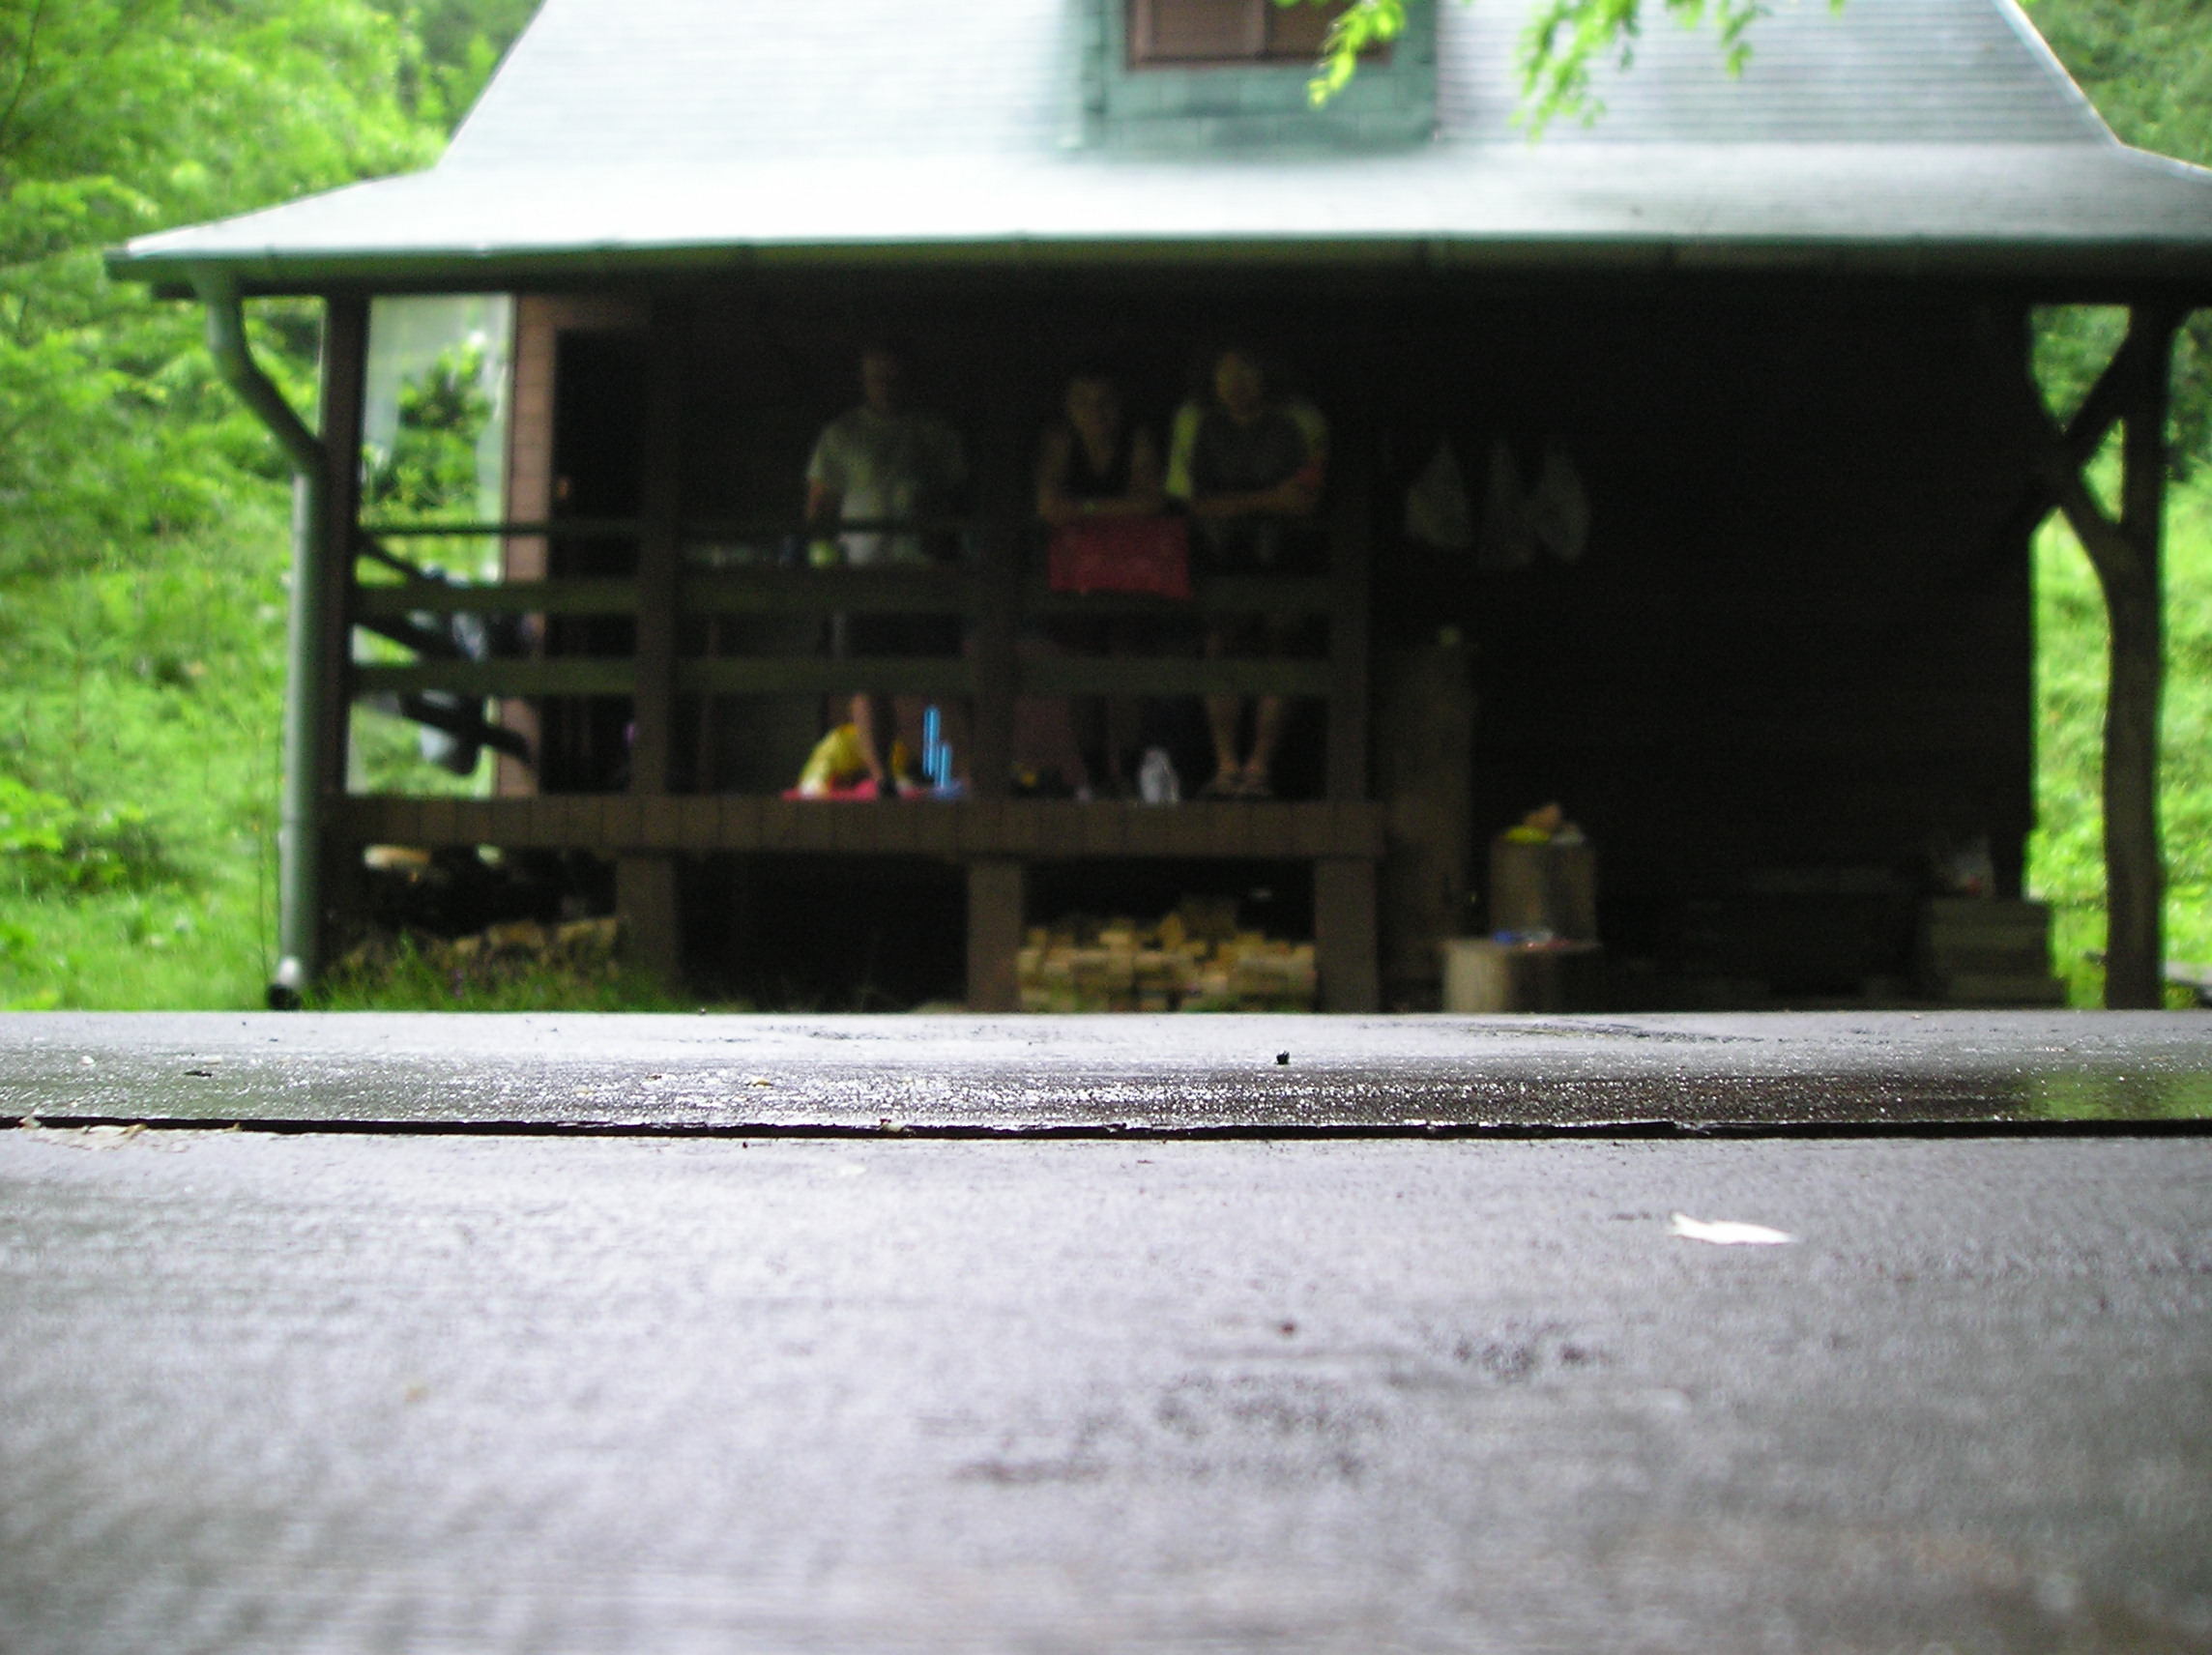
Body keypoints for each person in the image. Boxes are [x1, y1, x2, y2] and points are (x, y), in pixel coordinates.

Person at [1165, 346, 1326, 798]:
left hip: (1288, 551)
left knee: (1281, 645)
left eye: (1249, 371)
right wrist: (1268, 500)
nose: (1237, 384)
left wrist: (1233, 503)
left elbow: (1305, 498)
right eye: (1227, 372)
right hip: (1220, 550)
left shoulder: (1302, 419)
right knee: (1221, 645)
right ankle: (1226, 766)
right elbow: (1187, 500)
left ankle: (1259, 767)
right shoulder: (1193, 419)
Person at [804, 345, 968, 792]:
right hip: (861, 574)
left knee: (943, 677)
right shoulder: (841, 435)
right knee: (867, 677)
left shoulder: (933, 433)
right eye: (878, 377)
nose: (887, 386)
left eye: (894, 377)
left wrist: (944, 548)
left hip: (923, 572)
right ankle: (883, 780)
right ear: (863, 379)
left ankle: (965, 775)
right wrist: (825, 564)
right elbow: (818, 508)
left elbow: (956, 498)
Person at [1035, 366, 1170, 796]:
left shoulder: (1138, 438)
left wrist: (1086, 510)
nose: (1096, 413)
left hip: (1133, 571)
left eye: (1106, 402)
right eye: (1084, 403)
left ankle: (1129, 772)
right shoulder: (1060, 440)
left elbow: (1152, 501)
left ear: (1122, 404)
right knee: (1082, 667)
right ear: (1067, 407)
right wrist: (1117, 509)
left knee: (1130, 665)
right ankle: (1095, 776)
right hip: (1076, 572)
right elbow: (1048, 505)